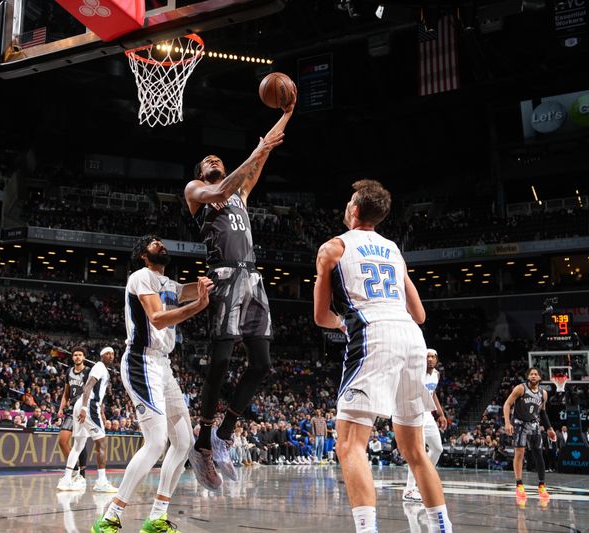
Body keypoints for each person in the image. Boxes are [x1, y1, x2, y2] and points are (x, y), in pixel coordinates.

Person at [313, 180, 452, 532]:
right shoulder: (393, 249)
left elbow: (320, 317)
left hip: (373, 335)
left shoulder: (333, 248)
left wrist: (344, 324)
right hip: (412, 338)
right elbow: (419, 314)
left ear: (355, 210)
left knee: (349, 445)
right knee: (416, 452)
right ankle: (442, 527)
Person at [183, 93, 295, 489]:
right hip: (225, 276)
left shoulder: (242, 194)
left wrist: (286, 114)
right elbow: (222, 189)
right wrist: (254, 153)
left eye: (218, 159)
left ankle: (224, 435)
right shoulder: (197, 190)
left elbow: (261, 158)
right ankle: (201, 445)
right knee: (220, 361)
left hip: (253, 279)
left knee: (262, 363)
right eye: (207, 160)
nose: (213, 161)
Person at [92, 235, 212, 533]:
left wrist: (211, 282)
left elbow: (183, 291)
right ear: (144, 255)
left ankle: (156, 517)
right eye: (154, 244)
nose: (161, 245)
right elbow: (158, 318)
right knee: (157, 441)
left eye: (162, 242)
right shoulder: (141, 276)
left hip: (162, 364)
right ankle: (109, 516)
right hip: (140, 361)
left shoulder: (167, 283)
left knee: (184, 442)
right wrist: (199, 304)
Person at [59, 346, 116, 493]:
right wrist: (84, 408)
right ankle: (101, 481)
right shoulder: (99, 366)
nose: (111, 356)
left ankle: (66, 479)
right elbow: (88, 386)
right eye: (107, 354)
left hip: (82, 405)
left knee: (78, 445)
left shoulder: (104, 370)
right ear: (101, 356)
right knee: (102, 443)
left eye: (113, 354)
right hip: (88, 406)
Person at [502, 367, 557, 503]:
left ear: (539, 377)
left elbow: (542, 412)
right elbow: (507, 404)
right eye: (531, 374)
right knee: (519, 453)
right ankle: (519, 485)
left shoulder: (543, 393)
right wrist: (507, 422)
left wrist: (549, 428)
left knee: (539, 453)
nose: (533, 376)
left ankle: (542, 486)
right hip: (520, 424)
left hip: (534, 425)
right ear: (528, 377)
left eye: (536, 374)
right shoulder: (520, 388)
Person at [403, 349, 448, 502]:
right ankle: (409, 489)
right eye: (427, 356)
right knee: (418, 451)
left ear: (437, 360)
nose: (429, 359)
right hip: (415, 413)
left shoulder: (436, 374)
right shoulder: (417, 373)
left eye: (432, 356)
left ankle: (423, 478)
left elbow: (432, 394)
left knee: (437, 448)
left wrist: (441, 414)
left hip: (427, 414)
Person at [57, 347, 91, 485]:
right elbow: (66, 392)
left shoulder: (88, 372)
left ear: (84, 357)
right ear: (72, 358)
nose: (77, 357)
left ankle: (82, 474)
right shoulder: (68, 372)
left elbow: (90, 391)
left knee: (79, 442)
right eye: (75, 355)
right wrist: (61, 408)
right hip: (71, 409)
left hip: (83, 410)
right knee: (62, 440)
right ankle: (75, 468)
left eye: (80, 355)